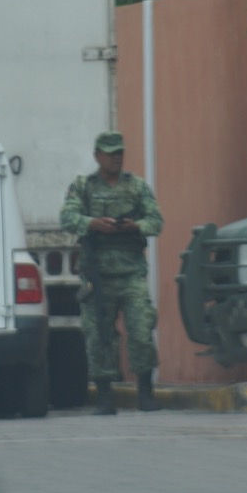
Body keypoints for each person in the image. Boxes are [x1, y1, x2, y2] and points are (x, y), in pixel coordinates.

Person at [60, 131, 164, 415]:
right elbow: (67, 218)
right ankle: (104, 395)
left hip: (131, 274)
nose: (115, 157)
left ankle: (145, 390)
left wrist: (134, 226)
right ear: (97, 156)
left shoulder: (136, 186)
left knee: (141, 330)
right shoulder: (83, 187)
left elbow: (156, 221)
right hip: (98, 275)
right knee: (98, 335)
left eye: (119, 152)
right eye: (109, 153)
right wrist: (94, 223)